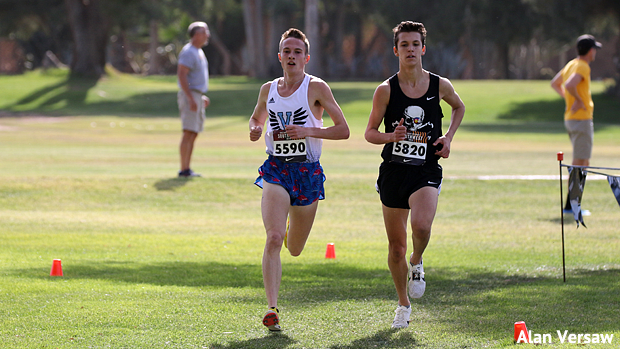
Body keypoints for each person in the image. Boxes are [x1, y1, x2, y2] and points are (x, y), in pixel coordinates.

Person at [364, 21, 465, 329]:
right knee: (396, 247)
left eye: (415, 44)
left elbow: (459, 108)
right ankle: (402, 305)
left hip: (425, 169)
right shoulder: (385, 90)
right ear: (396, 50)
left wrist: (447, 138)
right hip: (394, 172)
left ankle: (417, 261)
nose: (410, 49)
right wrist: (390, 138)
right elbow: (369, 133)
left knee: (421, 226)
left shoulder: (439, 85)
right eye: (404, 45)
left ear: (423, 48)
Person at [248, 28, 349, 331]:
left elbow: (343, 129)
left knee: (294, 248)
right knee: (274, 237)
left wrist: (309, 131)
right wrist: (254, 128)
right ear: (280, 56)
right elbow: (256, 118)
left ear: (306, 57)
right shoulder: (268, 89)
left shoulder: (316, 88)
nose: (291, 56)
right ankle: (272, 309)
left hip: (307, 172)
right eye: (286, 51)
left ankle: (291, 221)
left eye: (297, 52)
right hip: (276, 169)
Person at [551, 34, 602, 214]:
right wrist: (578, 101)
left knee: (582, 161)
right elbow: (571, 84)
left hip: (573, 119)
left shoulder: (571, 64)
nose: (595, 51)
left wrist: (570, 99)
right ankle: (571, 206)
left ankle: (572, 204)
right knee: (580, 163)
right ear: (589, 51)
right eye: (594, 48)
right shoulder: (583, 66)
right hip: (581, 119)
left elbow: (556, 83)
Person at [177, 21, 211, 177]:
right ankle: (183, 169)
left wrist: (200, 96)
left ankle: (187, 168)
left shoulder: (198, 51)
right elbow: (182, 74)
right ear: (196, 35)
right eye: (204, 32)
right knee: (188, 131)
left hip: (196, 94)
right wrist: (190, 98)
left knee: (194, 132)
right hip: (189, 94)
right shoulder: (189, 52)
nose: (207, 35)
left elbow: (194, 77)